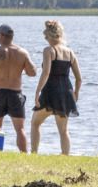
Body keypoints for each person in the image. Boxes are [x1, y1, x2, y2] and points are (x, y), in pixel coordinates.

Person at [0, 24, 38, 152]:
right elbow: (32, 73)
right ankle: (24, 155)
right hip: (15, 94)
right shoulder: (22, 53)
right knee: (20, 129)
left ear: (2, 36)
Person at [31, 19, 82, 155]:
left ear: (49, 36)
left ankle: (34, 152)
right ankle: (65, 155)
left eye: (45, 36)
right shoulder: (70, 52)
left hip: (51, 91)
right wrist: (76, 93)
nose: (45, 39)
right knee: (64, 130)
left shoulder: (49, 50)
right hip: (66, 92)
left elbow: (46, 72)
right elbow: (79, 78)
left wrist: (37, 92)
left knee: (35, 123)